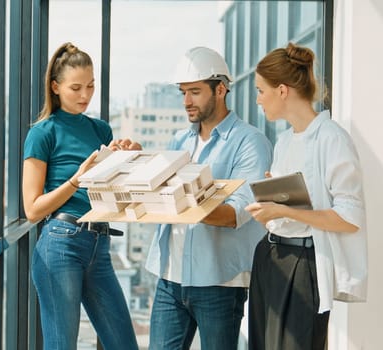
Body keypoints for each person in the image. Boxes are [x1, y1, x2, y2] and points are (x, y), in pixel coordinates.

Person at [145, 46, 273, 350]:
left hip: (219, 283)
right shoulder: (179, 140)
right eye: (183, 92)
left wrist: (180, 200)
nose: (187, 101)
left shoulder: (250, 143)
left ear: (221, 89)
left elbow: (236, 214)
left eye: (195, 92)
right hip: (170, 279)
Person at [245, 42, 367, 350]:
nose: (258, 99)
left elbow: (350, 218)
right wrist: (276, 199)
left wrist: (284, 210)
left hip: (304, 264)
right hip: (269, 258)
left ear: (282, 90)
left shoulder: (333, 139)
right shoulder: (285, 141)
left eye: (261, 91)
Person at [22, 42, 139, 350]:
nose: (85, 95)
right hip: (61, 244)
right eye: (76, 87)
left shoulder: (101, 130)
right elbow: (33, 210)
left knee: (125, 345)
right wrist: (77, 180)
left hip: (99, 245)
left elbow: (114, 194)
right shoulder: (42, 133)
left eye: (90, 86)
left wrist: (131, 160)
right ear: (55, 86)